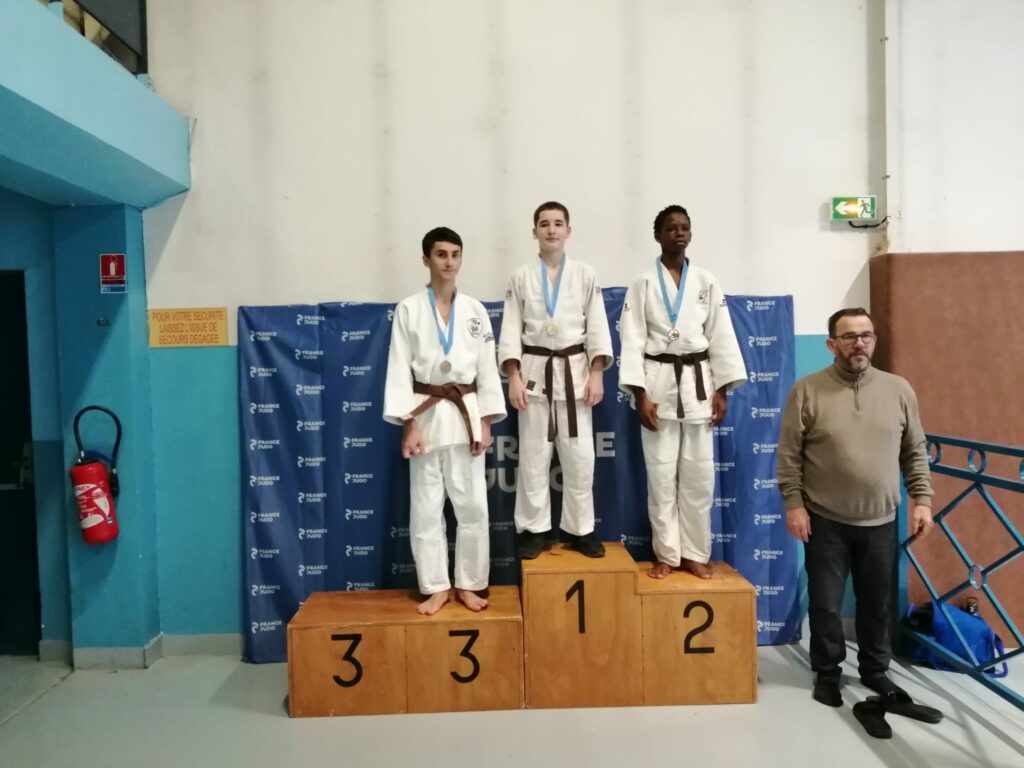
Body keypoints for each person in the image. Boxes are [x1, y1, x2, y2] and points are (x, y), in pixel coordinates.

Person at [776, 307, 934, 706]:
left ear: (874, 341)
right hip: (825, 520)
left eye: (866, 335)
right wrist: (794, 504)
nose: (859, 343)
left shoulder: (899, 390)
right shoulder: (807, 391)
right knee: (826, 606)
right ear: (832, 344)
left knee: (877, 605)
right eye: (849, 336)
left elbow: (914, 451)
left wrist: (922, 499)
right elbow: (789, 455)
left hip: (881, 520)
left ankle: (876, 671)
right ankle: (828, 673)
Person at [619, 205, 747, 579]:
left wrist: (722, 390)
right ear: (657, 235)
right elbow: (632, 339)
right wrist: (639, 394)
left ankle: (694, 553)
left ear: (690, 234)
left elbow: (721, 335)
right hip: (657, 381)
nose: (679, 232)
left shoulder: (706, 281)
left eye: (684, 228)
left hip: (698, 384)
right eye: (671, 227)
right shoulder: (643, 283)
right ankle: (667, 554)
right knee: (661, 478)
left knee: (699, 478)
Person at [383, 227, 507, 615]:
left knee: (473, 508)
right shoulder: (408, 309)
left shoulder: (475, 311)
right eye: (441, 254)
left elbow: (487, 369)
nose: (449, 262)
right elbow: (399, 368)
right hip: (425, 414)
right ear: (426, 259)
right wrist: (409, 424)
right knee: (425, 509)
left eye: (455, 254)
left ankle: (469, 583)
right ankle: (436, 586)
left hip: (466, 414)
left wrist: (486, 421)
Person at [498, 202, 613, 559]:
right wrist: (513, 377)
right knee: (533, 459)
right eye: (544, 224)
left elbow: (597, 326)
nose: (551, 229)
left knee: (580, 459)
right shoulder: (520, 276)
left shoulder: (585, 274)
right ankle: (535, 530)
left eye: (558, 223)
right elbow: (511, 329)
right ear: (534, 231)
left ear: (568, 230)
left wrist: (597, 373)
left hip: (575, 374)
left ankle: (581, 530)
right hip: (533, 376)